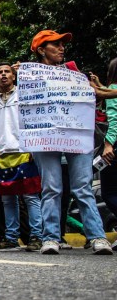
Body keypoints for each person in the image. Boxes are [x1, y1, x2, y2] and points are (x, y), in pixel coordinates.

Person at [26, 30, 112, 254]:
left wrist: (97, 88)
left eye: (63, 44)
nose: (62, 48)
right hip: (45, 138)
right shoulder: (30, 77)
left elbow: (98, 94)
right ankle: (51, 238)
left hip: (77, 135)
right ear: (41, 50)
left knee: (82, 187)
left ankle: (98, 237)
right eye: (55, 44)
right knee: (51, 188)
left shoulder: (75, 73)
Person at [0, 62, 43, 252]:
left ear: (14, 76)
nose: (3, 75)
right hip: (2, 156)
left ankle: (36, 236)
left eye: (7, 72)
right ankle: (11, 237)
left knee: (31, 197)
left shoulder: (26, 95)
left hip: (25, 153)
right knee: (7, 199)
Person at [90, 58, 117, 250]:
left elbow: (114, 120)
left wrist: (108, 145)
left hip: (114, 147)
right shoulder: (112, 89)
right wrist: (98, 85)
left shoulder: (113, 89)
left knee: (109, 192)